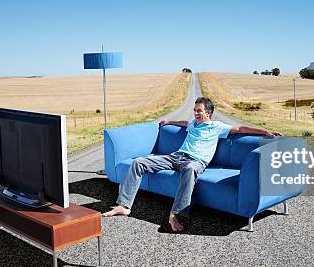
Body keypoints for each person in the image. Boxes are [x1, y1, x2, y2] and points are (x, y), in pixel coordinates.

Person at [102, 96, 282, 232]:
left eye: (199, 111)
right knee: (138, 163)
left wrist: (266, 132)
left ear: (209, 113)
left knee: (189, 171)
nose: (196, 113)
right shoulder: (192, 124)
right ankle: (124, 206)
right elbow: (182, 122)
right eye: (195, 110)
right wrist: (168, 122)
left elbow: (242, 129)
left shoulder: (218, 127)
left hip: (196, 162)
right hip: (175, 157)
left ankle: (176, 215)